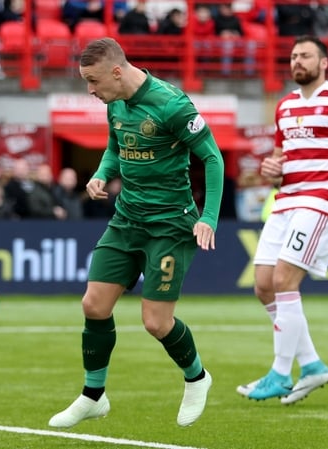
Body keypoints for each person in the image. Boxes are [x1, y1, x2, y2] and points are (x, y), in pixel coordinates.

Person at [47, 38, 224, 429]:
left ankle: (197, 377)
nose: (90, 91)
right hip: (126, 219)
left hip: (169, 224)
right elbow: (116, 146)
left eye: (92, 81)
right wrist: (100, 173)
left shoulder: (172, 104)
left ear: (116, 70)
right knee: (94, 305)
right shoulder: (114, 103)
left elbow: (212, 156)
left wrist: (208, 216)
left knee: (156, 323)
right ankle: (94, 396)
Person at [235, 35, 328, 404]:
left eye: (305, 56)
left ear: (324, 63)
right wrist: (271, 168)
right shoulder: (285, 105)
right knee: (263, 286)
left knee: (284, 279)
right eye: (292, 57)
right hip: (285, 199)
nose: (297, 62)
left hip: (318, 200)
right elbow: (278, 160)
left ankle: (279, 372)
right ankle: (311, 366)